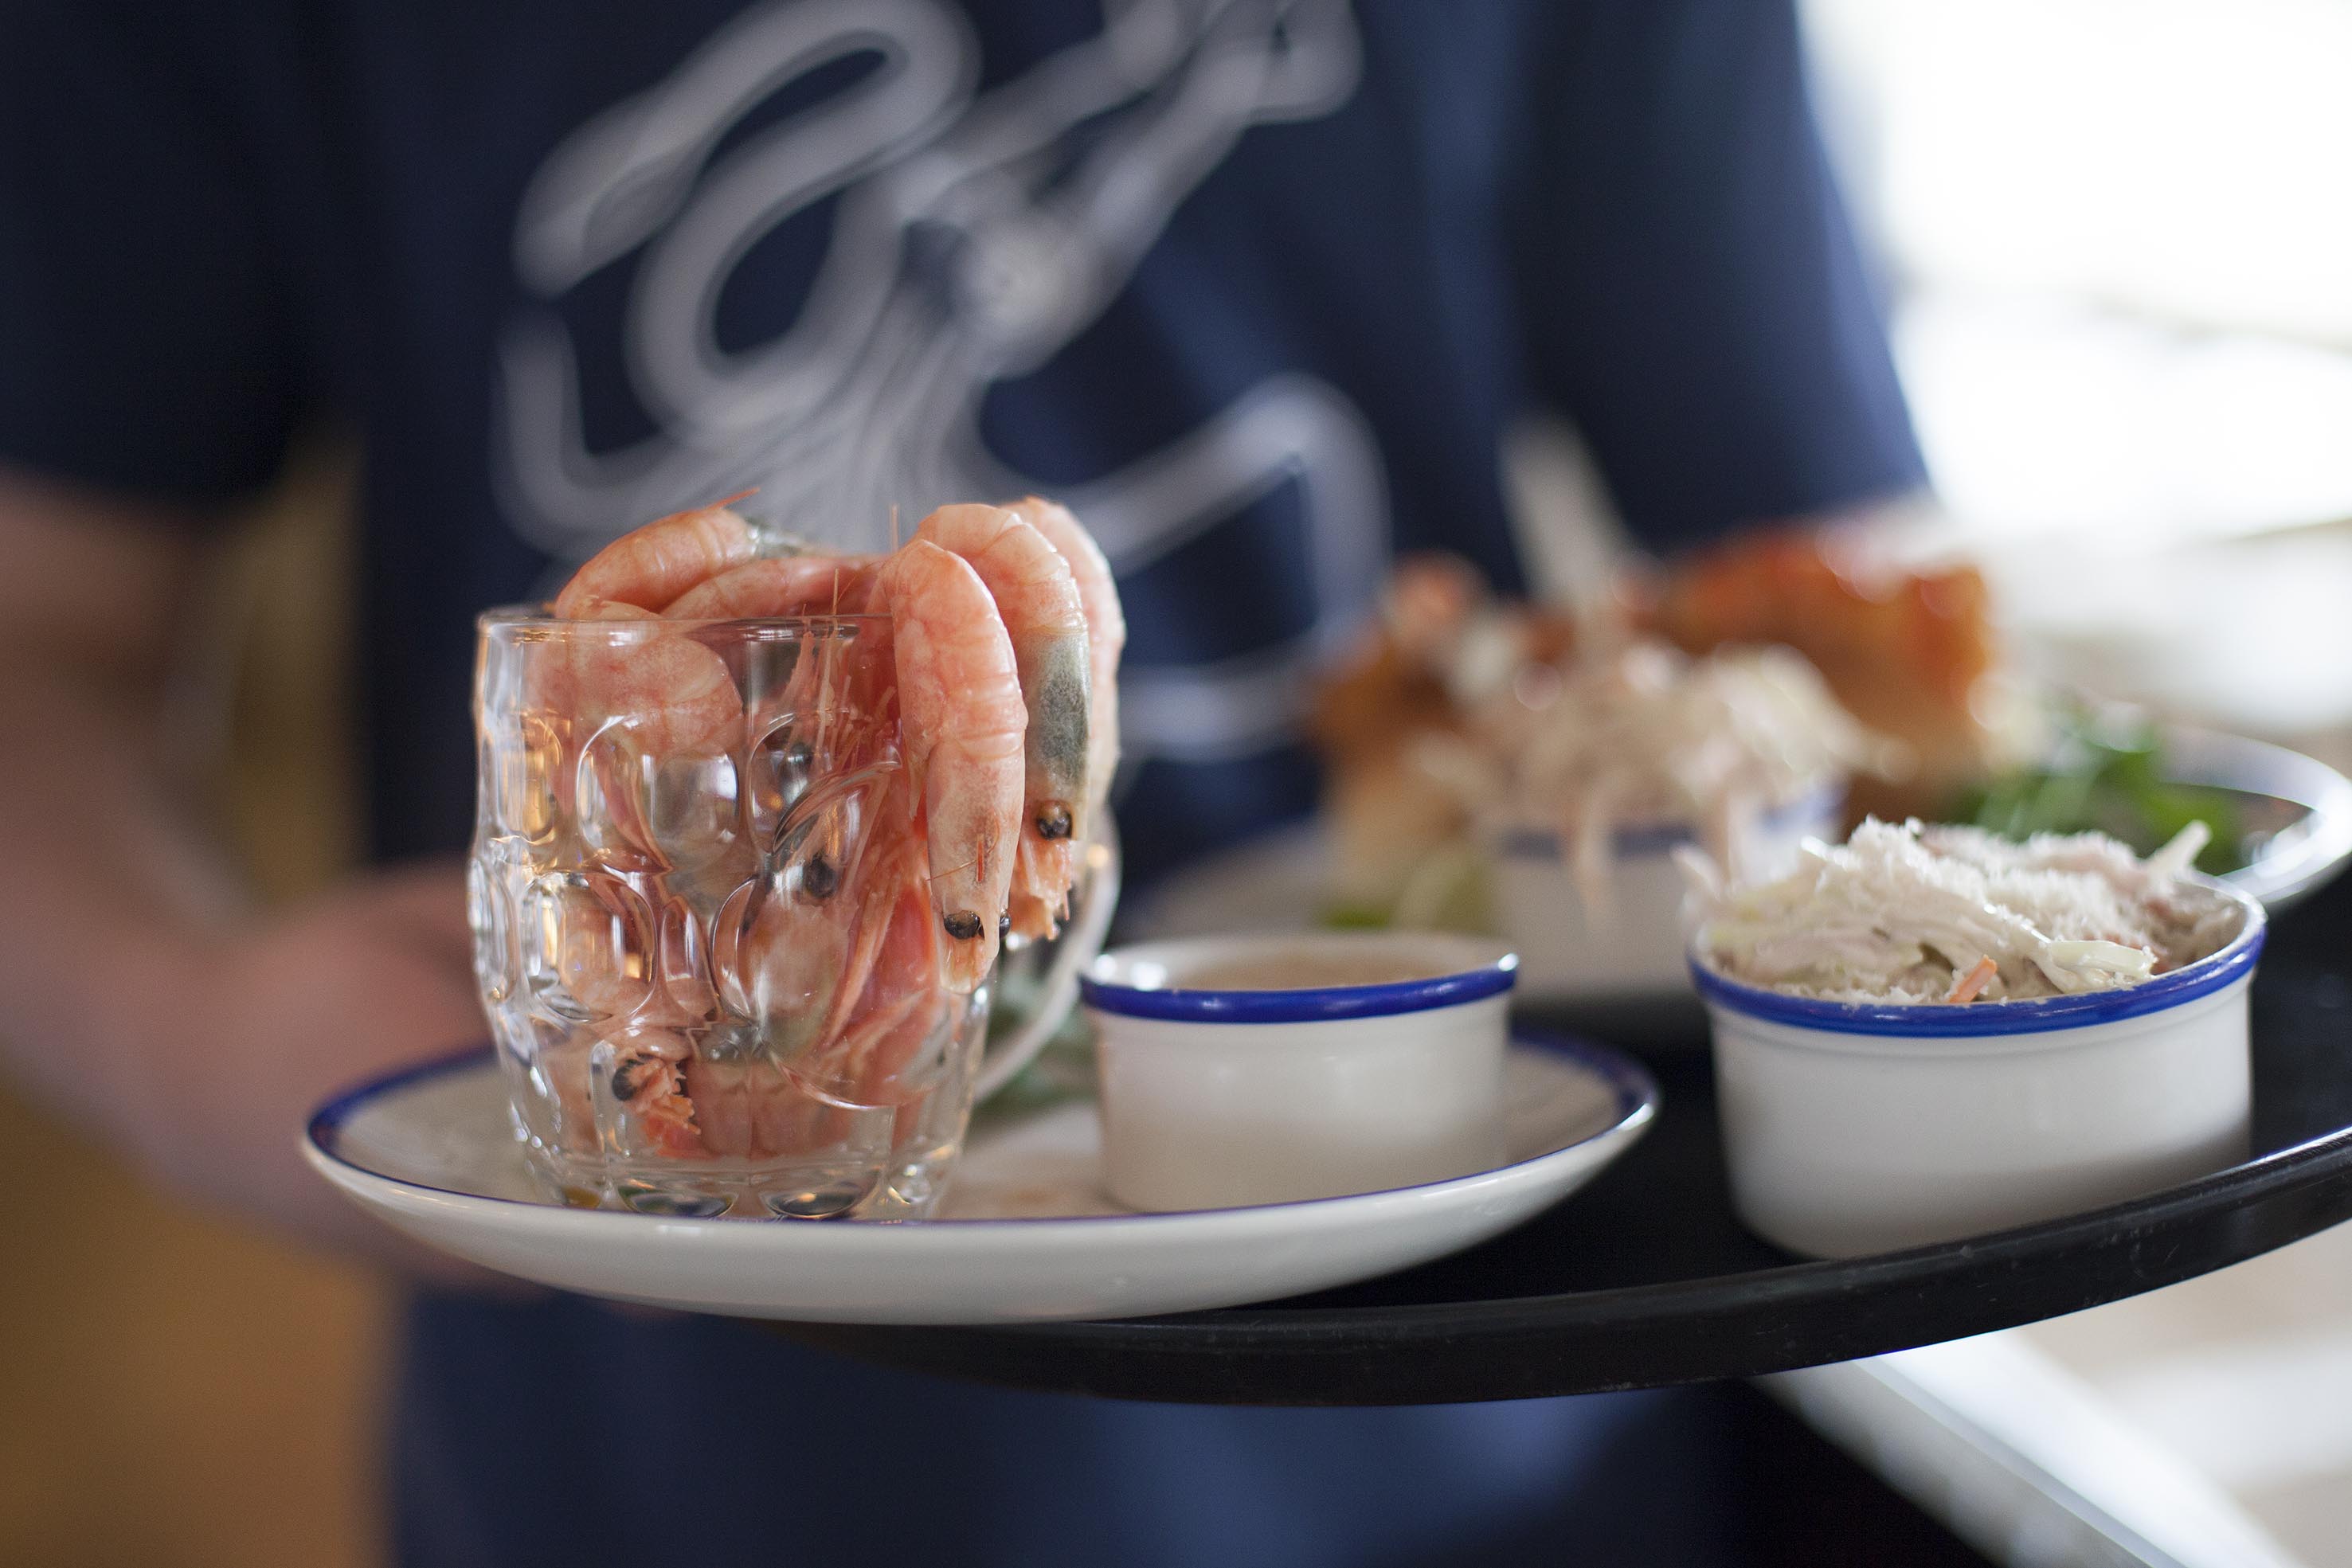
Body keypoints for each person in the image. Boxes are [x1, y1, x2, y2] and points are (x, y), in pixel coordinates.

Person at [0, 1, 1924, 1562]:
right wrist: (194, 1033)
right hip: (641, 1442)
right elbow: (39, 643)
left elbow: (1856, 623)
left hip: (1481, 1426)